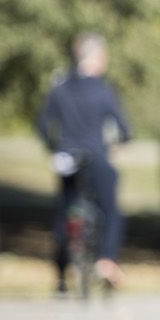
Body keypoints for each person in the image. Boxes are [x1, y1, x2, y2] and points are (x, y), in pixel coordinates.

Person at [34, 33, 131, 292]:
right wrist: (120, 142)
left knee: (64, 210)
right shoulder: (103, 90)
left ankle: (62, 271)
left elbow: (43, 124)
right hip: (96, 156)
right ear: (98, 58)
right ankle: (107, 260)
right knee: (110, 210)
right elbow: (123, 128)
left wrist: (55, 146)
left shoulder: (60, 87)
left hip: (66, 157)